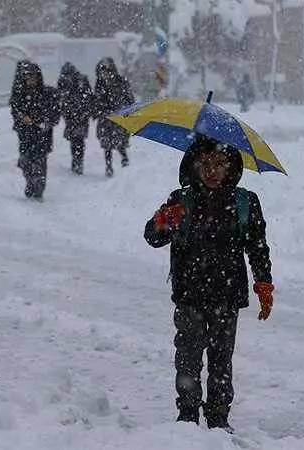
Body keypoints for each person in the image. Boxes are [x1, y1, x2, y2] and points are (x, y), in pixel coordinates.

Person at [143, 135, 275, 431]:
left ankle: (218, 420)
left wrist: (263, 283)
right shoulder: (182, 199)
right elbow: (152, 237)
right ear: (195, 165)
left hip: (227, 296)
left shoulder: (245, 202)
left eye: (220, 163)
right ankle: (187, 418)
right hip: (189, 294)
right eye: (205, 164)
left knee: (221, 361)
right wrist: (162, 221)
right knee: (188, 358)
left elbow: (257, 246)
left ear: (232, 167)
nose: (212, 170)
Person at [9, 60, 60, 201]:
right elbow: (15, 111)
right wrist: (22, 119)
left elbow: (55, 114)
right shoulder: (19, 95)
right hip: (25, 134)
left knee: (40, 163)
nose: (31, 80)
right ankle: (30, 183)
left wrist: (44, 123)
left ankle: (39, 189)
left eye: (33, 77)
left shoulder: (48, 94)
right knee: (26, 162)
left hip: (42, 135)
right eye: (28, 77)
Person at [93, 57, 134, 178]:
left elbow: (129, 98)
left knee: (120, 142)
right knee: (107, 144)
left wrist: (127, 111)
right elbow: (97, 101)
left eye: (107, 71)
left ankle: (124, 160)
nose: (105, 74)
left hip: (119, 117)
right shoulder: (99, 84)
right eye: (103, 72)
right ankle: (109, 166)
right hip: (106, 118)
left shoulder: (121, 81)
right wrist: (100, 110)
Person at [57, 62, 94, 175]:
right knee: (74, 139)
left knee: (78, 139)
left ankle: (78, 161)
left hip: (80, 114)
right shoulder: (63, 81)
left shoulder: (82, 80)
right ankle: (76, 160)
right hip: (70, 115)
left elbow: (88, 96)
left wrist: (86, 110)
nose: (66, 77)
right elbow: (60, 96)